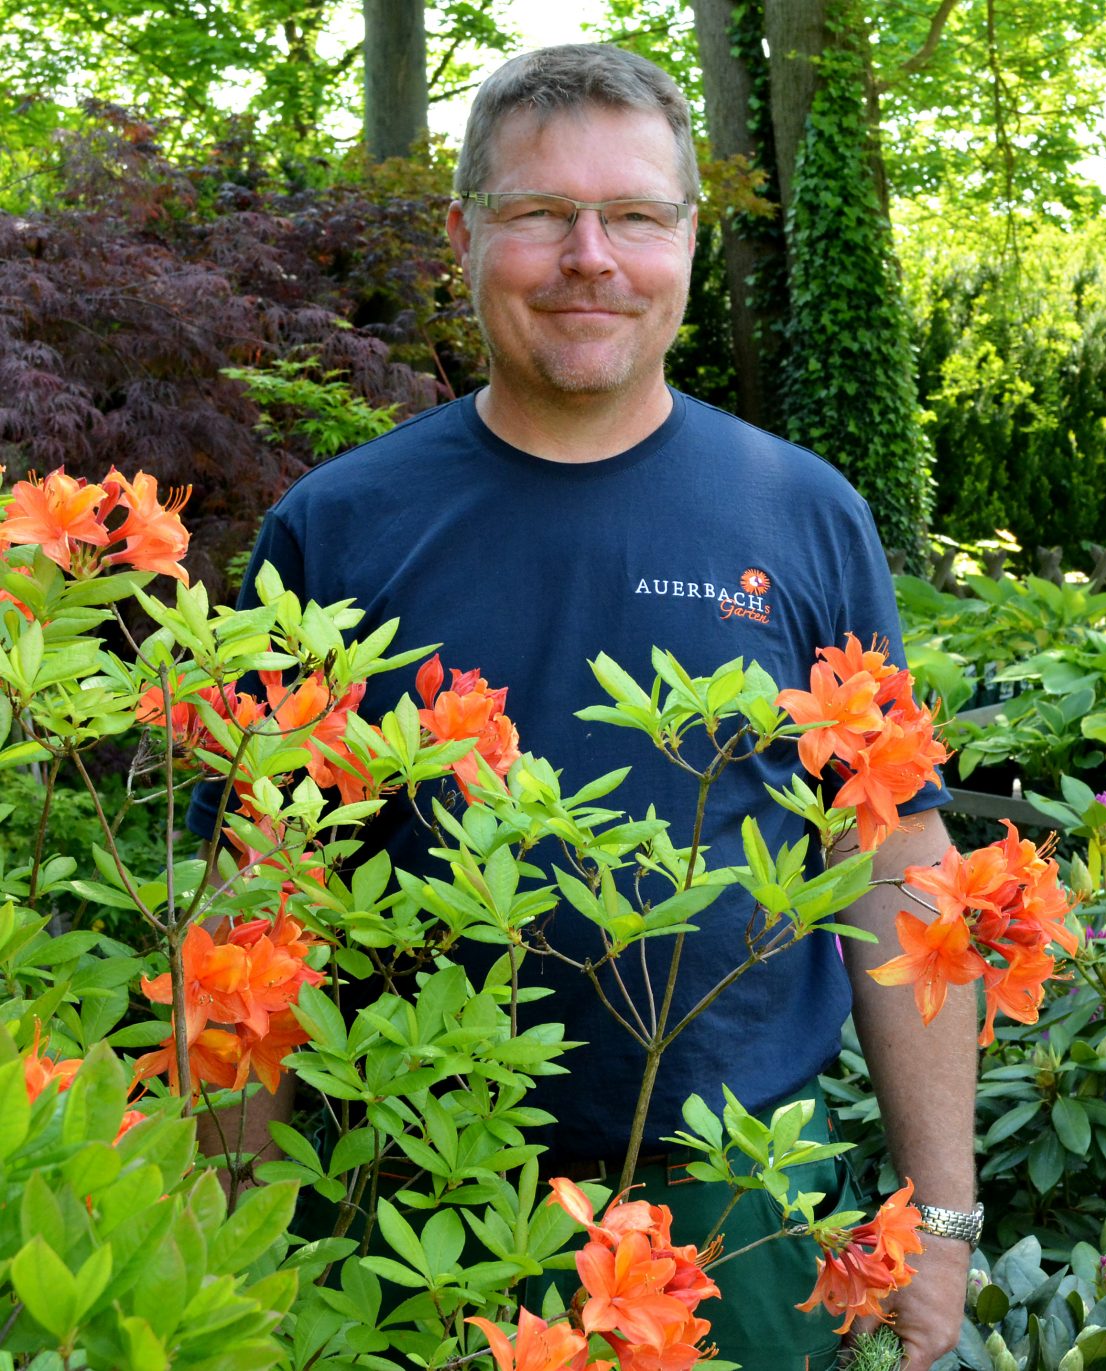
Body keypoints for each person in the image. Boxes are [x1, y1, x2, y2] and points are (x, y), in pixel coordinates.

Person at [190, 43, 972, 1371]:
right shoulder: (339, 529)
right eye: (542, 214)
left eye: (632, 216)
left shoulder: (803, 515)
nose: (589, 257)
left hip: (738, 1197)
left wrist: (939, 1215)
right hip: (413, 1183)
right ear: (465, 234)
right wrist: (242, 1228)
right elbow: (248, 909)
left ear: (686, 239)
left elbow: (895, 869)